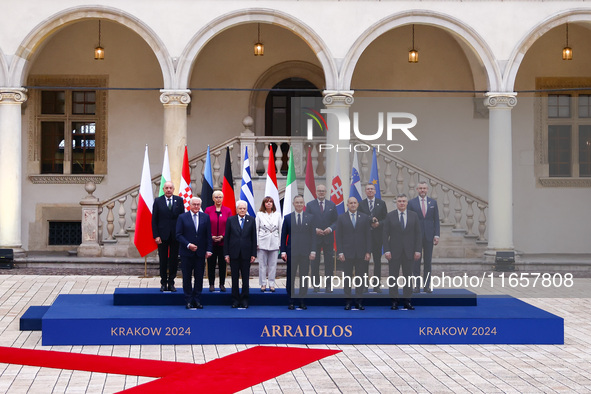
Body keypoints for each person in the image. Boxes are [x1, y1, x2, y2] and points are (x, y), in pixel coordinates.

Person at [383, 194, 422, 311]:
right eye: (399, 201)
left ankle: (407, 301)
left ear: (407, 203)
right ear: (396, 203)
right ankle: (394, 301)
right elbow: (385, 235)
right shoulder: (390, 216)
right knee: (393, 277)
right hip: (394, 252)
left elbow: (418, 234)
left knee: (408, 277)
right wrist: (387, 250)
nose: (402, 203)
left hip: (409, 252)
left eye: (404, 201)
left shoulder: (414, 216)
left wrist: (417, 250)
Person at [175, 197, 212, 309]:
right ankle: (188, 300)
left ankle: (197, 299)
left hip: (200, 253)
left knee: (199, 277)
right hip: (186, 253)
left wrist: (209, 249)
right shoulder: (182, 217)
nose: (196, 207)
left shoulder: (205, 217)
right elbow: (178, 235)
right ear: (190, 205)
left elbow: (208, 235)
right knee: (186, 277)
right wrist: (188, 244)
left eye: (198, 204)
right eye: (194, 204)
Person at [335, 197, 371, 310]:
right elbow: (338, 237)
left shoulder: (365, 218)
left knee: (360, 278)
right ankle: (348, 302)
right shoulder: (341, 218)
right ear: (347, 205)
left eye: (355, 203)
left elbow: (368, 236)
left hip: (361, 253)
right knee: (347, 278)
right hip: (346, 253)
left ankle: (359, 302)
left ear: (358, 205)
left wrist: (368, 251)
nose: (353, 205)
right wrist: (340, 252)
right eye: (351, 203)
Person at [281, 195, 316, 310]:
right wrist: (283, 251)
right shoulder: (287, 218)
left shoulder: (310, 218)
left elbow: (313, 236)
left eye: (301, 202)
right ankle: (291, 301)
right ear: (293, 204)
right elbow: (283, 236)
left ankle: (302, 300)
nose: (299, 204)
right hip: (292, 252)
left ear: (304, 203)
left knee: (304, 276)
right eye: (297, 202)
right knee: (290, 277)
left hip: (306, 253)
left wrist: (313, 251)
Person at [151, 181, 185, 292]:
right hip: (162, 236)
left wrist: (181, 234)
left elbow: (182, 219)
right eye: (166, 188)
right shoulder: (158, 201)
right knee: (163, 260)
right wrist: (156, 235)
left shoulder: (179, 200)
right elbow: (154, 220)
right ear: (163, 189)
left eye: (170, 187)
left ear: (173, 189)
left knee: (174, 260)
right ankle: (163, 283)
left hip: (175, 236)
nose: (168, 190)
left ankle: (171, 282)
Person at [407, 181, 440, 293]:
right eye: (420, 188)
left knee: (428, 261)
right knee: (416, 261)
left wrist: (437, 235)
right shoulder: (411, 203)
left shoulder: (433, 203)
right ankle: (416, 286)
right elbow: (409, 221)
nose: (422, 190)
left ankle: (427, 286)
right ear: (417, 189)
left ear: (427, 190)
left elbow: (436, 220)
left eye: (424, 188)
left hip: (429, 236)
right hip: (416, 236)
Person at [224, 200, 257, 308]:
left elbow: (254, 238)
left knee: (245, 278)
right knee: (234, 278)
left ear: (246, 209)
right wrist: (226, 254)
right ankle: (235, 299)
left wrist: (253, 254)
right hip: (233, 254)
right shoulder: (230, 220)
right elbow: (227, 238)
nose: (242, 210)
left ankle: (244, 299)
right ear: (236, 209)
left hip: (246, 254)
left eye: (244, 208)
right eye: (240, 208)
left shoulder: (251, 220)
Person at [305, 184, 338, 292]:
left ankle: (328, 285)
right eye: (319, 191)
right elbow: (307, 221)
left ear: (326, 192)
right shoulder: (310, 205)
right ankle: (316, 285)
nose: (321, 193)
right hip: (315, 238)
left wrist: (330, 228)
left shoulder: (331, 205)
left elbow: (336, 221)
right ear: (316, 192)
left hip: (328, 238)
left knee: (329, 263)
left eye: (323, 191)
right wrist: (315, 230)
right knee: (315, 263)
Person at [358, 183, 388, 292]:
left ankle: (376, 285)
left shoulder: (381, 203)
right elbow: (359, 219)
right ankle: (364, 285)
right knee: (364, 262)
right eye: (368, 189)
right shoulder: (361, 204)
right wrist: (370, 219)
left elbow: (386, 220)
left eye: (372, 189)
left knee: (377, 261)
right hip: (365, 238)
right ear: (365, 191)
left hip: (377, 237)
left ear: (375, 191)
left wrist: (379, 223)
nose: (370, 191)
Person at [204, 190, 232, 292]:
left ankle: (222, 284)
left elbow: (229, 226)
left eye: (220, 197)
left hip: (223, 243)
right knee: (211, 264)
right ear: (213, 199)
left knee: (222, 264)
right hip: (211, 242)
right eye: (216, 197)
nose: (218, 199)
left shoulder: (227, 210)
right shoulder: (208, 210)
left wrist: (223, 236)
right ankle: (211, 284)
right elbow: (205, 225)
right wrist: (210, 236)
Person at [255, 196, 282, 292]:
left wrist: (279, 243)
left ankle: (271, 283)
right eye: (267, 202)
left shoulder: (277, 215)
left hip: (274, 241)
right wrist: (257, 243)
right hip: (262, 241)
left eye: (271, 202)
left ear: (273, 204)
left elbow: (280, 230)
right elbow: (256, 229)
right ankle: (263, 284)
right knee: (262, 265)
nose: (269, 203)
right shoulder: (259, 214)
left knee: (272, 265)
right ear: (264, 204)